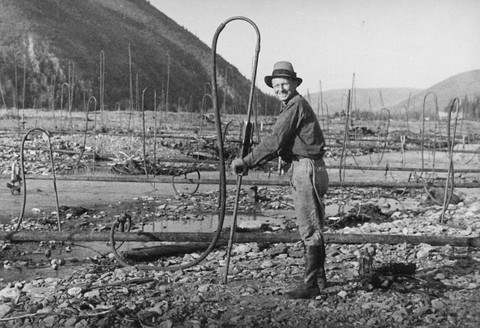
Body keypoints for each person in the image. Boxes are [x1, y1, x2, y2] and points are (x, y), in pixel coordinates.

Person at [231, 61, 329, 299]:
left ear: (294, 83)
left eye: (284, 84)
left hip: (306, 168)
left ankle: (311, 286)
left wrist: (246, 161)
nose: (280, 89)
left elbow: (275, 142)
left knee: (309, 227)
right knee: (313, 224)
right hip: (306, 167)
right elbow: (278, 144)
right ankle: (319, 279)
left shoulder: (295, 106)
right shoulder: (291, 106)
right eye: (276, 86)